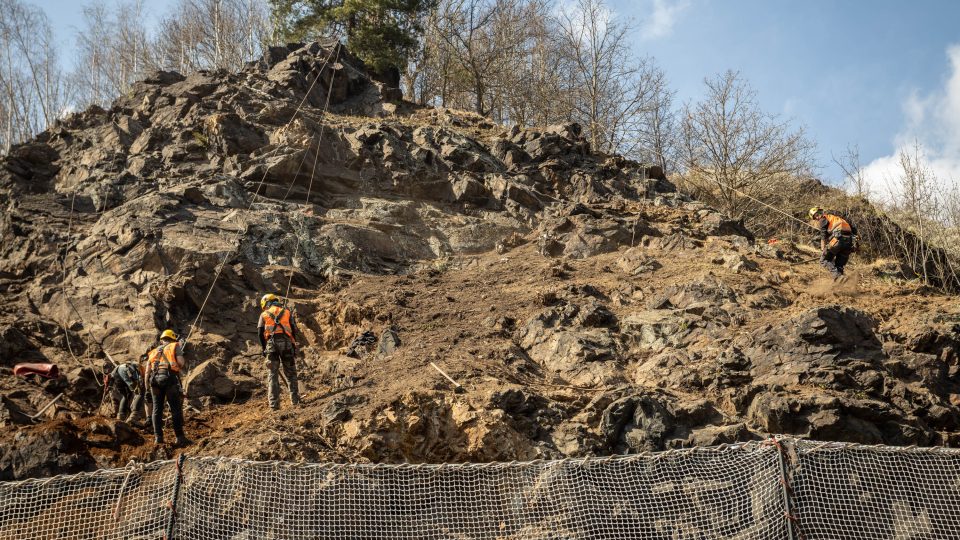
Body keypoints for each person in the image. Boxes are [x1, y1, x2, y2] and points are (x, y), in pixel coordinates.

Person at [144, 329, 191, 446]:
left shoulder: (153, 352)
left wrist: (146, 388)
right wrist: (178, 364)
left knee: (156, 410)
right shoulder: (175, 346)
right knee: (175, 409)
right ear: (172, 339)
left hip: (154, 382)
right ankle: (180, 438)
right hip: (169, 379)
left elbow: (147, 372)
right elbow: (181, 363)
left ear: (162, 340)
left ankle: (158, 438)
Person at [258, 294, 301, 410]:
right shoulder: (286, 312)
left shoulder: (264, 314)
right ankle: (295, 401)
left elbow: (260, 333)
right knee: (291, 373)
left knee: (272, 376)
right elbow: (293, 330)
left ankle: (274, 406)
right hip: (287, 345)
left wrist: (264, 349)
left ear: (266, 303)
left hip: (271, 347)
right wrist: (294, 344)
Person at [809, 207, 857, 281]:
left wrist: (823, 249)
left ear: (821, 213)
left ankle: (838, 277)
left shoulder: (823, 219)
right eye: (815, 217)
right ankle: (840, 284)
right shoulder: (838, 219)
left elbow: (823, 236)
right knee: (839, 266)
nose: (818, 218)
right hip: (849, 243)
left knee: (824, 260)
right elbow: (854, 229)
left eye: (817, 215)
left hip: (839, 240)